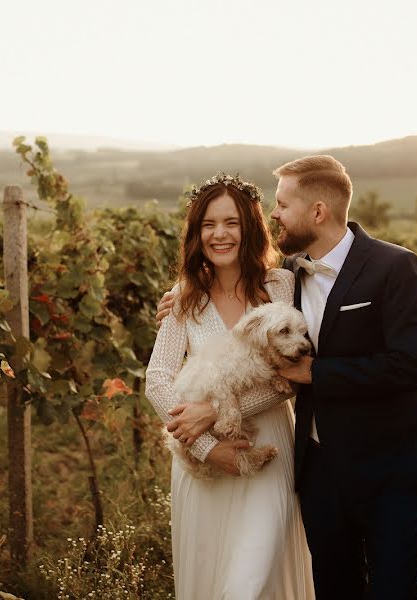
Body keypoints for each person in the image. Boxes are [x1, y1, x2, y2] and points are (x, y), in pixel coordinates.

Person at [159, 156, 417, 599]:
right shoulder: (286, 276)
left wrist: (311, 373)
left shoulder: (381, 268)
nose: (274, 214)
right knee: (333, 587)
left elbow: (407, 366)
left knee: (392, 589)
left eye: (282, 205)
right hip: (315, 467)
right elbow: (164, 371)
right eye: (209, 224)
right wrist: (205, 444)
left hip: (383, 462)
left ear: (317, 212)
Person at [144, 173, 315, 600]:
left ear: (250, 228)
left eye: (232, 223)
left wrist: (218, 410)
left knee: (251, 581)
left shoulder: (279, 286)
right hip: (200, 462)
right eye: (208, 225)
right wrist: (207, 448)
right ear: (197, 233)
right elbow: (157, 380)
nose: (219, 234)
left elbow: (290, 377)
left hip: (271, 447)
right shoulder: (183, 296)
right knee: (212, 579)